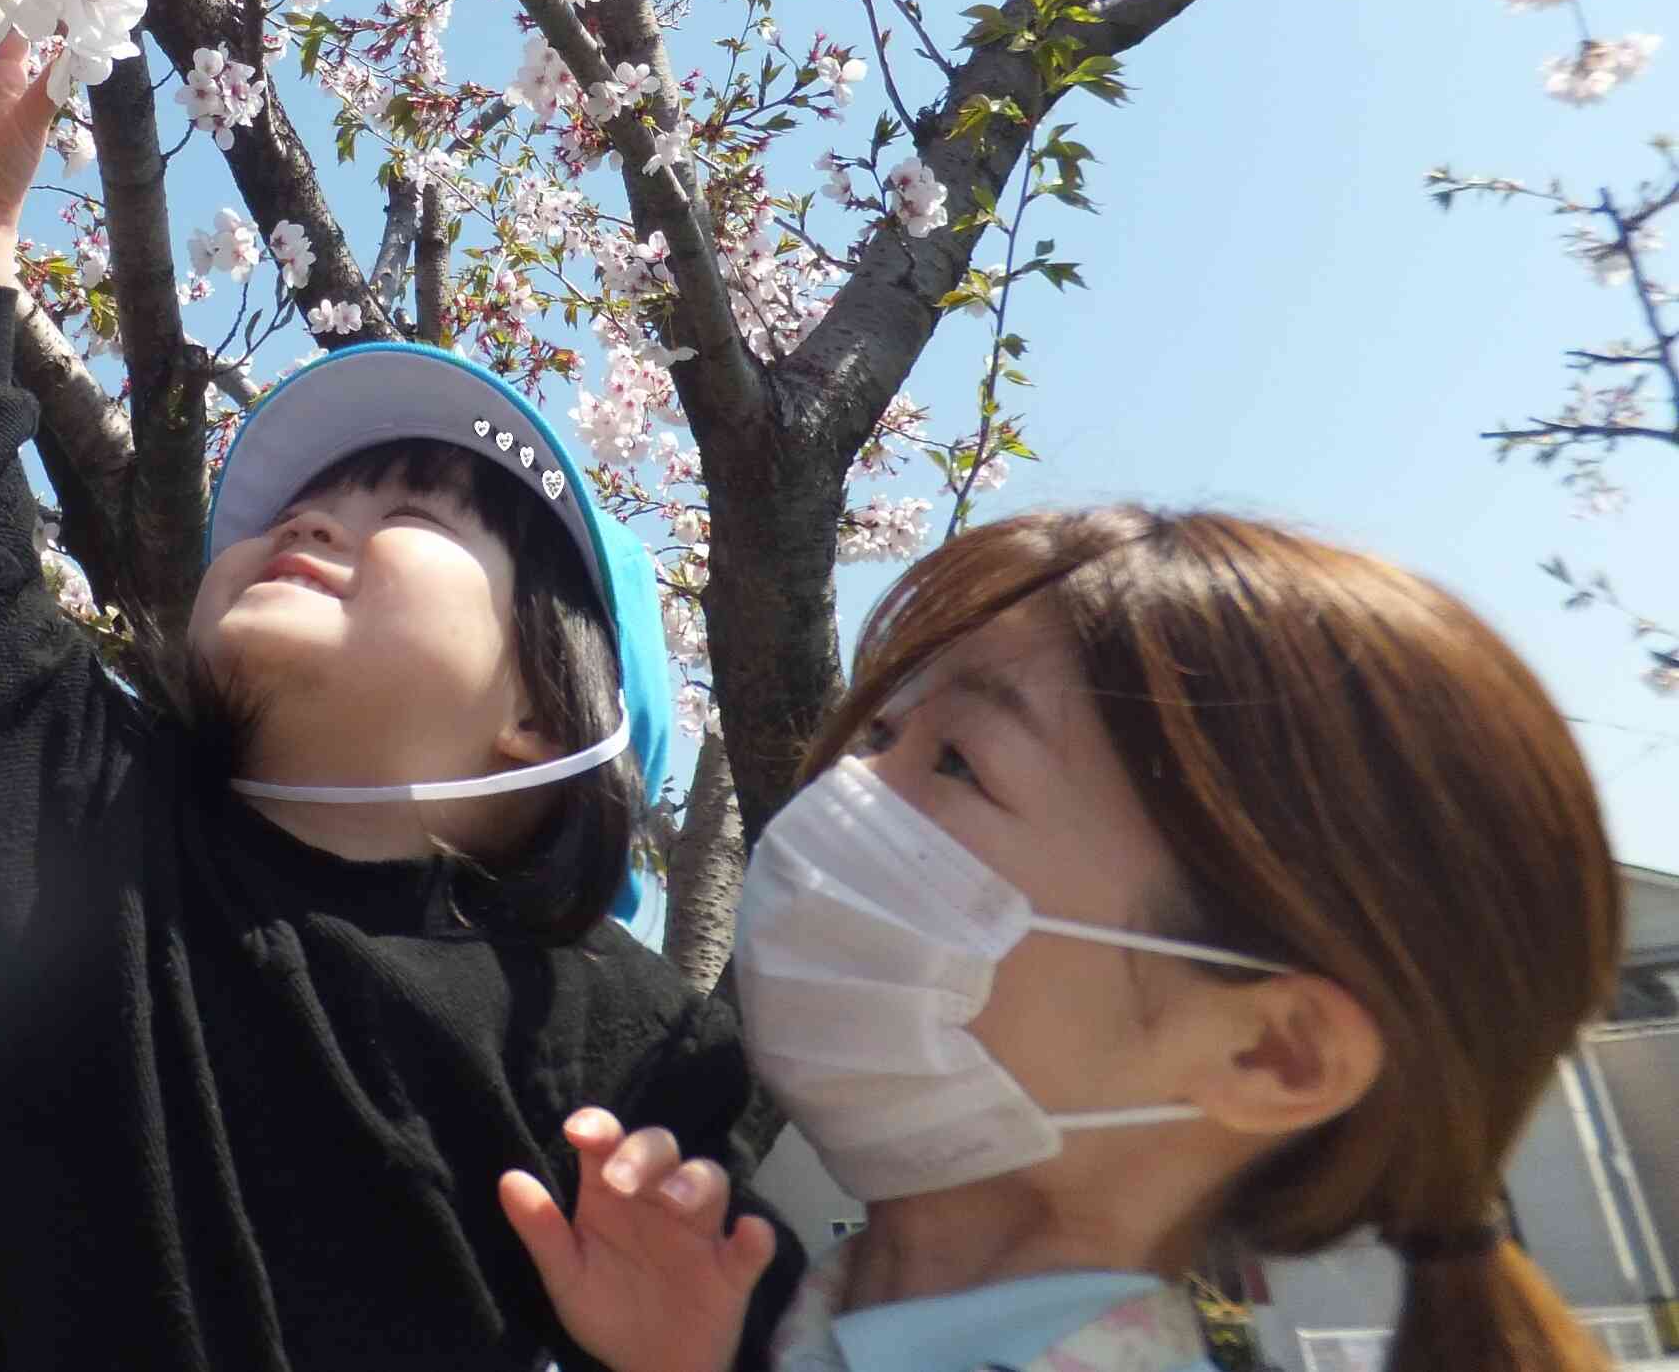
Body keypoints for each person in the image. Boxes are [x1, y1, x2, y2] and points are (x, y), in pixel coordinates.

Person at [0, 0, 801, 1372]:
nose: (313, 519)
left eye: (411, 510)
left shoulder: (627, 1047)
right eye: (306, 498)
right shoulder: (90, 835)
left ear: (543, 713)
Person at [499, 507, 1624, 1372]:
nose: (837, 795)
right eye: (879, 732)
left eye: (955, 763)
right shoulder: (793, 1309)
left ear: (1269, 1053)